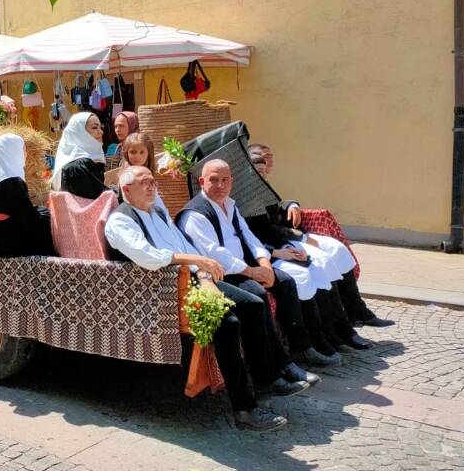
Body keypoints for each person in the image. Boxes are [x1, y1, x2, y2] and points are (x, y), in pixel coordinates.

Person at [106, 167, 316, 431]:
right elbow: (148, 257)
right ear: (126, 190)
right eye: (143, 183)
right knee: (227, 324)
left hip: (190, 279)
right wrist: (198, 261)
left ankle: (265, 378)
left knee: (253, 303)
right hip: (162, 291)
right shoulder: (121, 220)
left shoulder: (157, 212)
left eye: (152, 182)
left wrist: (205, 274)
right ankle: (245, 410)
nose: (151, 187)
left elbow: (184, 247)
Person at [177, 160, 341, 368]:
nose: (220, 185)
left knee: (287, 282)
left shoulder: (230, 205)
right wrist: (253, 272)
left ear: (232, 182)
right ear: (202, 181)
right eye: (214, 180)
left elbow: (249, 237)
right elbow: (214, 254)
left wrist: (266, 265)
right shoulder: (195, 214)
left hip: (246, 267)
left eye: (225, 180)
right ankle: (278, 364)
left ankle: (302, 348)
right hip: (223, 273)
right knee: (258, 294)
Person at [249, 143, 393, 327]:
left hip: (286, 237)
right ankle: (335, 323)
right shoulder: (248, 194)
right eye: (264, 157)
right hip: (279, 243)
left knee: (338, 249)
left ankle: (356, 310)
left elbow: (277, 204)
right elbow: (265, 228)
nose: (270, 162)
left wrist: (292, 204)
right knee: (321, 260)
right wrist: (298, 237)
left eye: (270, 157)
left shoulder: (263, 183)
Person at [0, 134, 53, 257]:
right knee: (48, 220)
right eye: (23, 150)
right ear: (12, 152)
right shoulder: (12, 182)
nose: (25, 154)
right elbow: (30, 219)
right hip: (11, 242)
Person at [52, 112, 107, 200]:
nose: (101, 132)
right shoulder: (79, 166)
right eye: (94, 127)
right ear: (79, 133)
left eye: (101, 127)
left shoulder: (83, 162)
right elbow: (102, 197)